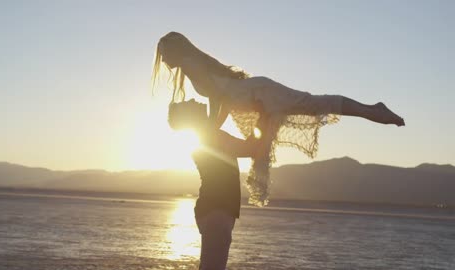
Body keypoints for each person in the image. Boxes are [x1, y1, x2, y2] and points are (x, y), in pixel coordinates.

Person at [153, 31, 405, 206]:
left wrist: (210, 128)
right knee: (313, 104)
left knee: (313, 103)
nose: (163, 59)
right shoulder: (192, 63)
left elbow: (219, 98)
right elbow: (217, 98)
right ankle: (370, 110)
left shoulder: (189, 63)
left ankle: (372, 110)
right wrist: (211, 127)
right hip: (254, 94)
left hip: (260, 93)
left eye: (163, 53)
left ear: (175, 50)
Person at [168, 99, 260, 270]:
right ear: (192, 116)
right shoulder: (211, 136)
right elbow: (251, 149)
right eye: (190, 103)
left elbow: (221, 106)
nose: (195, 100)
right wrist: (262, 120)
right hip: (217, 211)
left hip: (213, 210)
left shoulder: (207, 134)